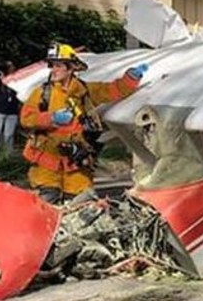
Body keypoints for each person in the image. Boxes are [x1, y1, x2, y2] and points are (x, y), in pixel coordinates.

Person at [20, 44, 146, 204]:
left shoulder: (84, 91)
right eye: (52, 66)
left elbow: (112, 90)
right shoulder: (42, 93)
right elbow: (26, 118)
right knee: (46, 200)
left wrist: (131, 79)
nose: (53, 70)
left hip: (75, 162)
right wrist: (51, 118)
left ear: (71, 67)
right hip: (47, 162)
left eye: (58, 66)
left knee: (81, 202)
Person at [0, 61, 21, 154]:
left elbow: (19, 91)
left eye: (12, 66)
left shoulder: (18, 79)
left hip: (12, 111)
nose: (11, 68)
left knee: (9, 136)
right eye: (8, 67)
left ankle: (7, 155)